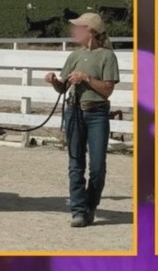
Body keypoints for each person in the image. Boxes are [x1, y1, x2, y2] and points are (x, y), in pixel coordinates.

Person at [45, 12, 120, 227]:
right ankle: (78, 210)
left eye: (79, 27)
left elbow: (107, 90)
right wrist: (53, 81)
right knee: (75, 163)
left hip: (97, 113)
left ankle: (90, 204)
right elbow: (63, 87)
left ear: (91, 31)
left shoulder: (107, 56)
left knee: (97, 166)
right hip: (74, 111)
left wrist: (86, 78)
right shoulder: (74, 56)